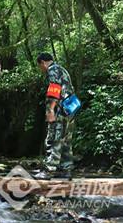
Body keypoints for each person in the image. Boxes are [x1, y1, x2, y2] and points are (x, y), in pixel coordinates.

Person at [35, 52, 76, 180]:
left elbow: (54, 89)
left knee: (54, 137)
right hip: (70, 108)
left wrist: (51, 110)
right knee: (66, 139)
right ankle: (66, 170)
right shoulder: (62, 69)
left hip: (60, 109)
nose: (41, 69)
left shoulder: (52, 70)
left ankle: (50, 170)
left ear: (43, 62)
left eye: (40, 66)